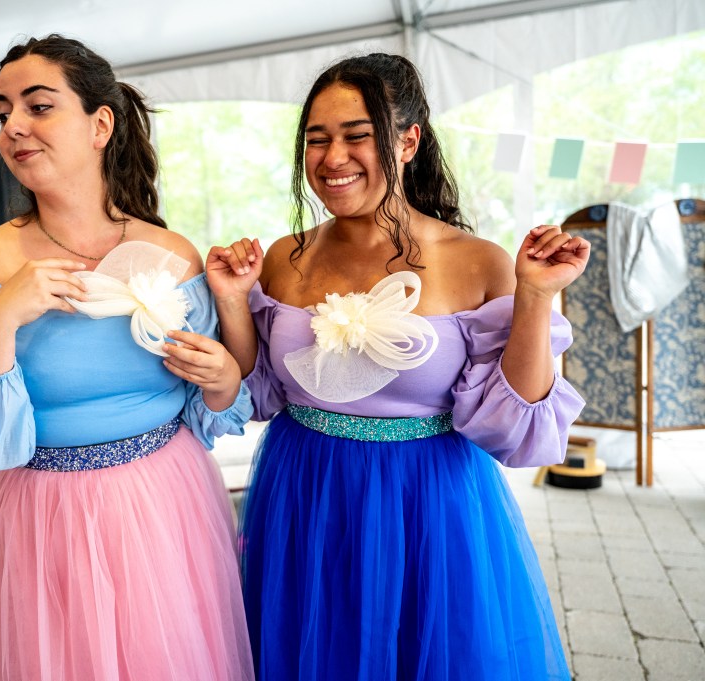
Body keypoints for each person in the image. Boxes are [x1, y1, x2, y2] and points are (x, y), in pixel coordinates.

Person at [207, 53, 589, 681]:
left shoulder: (478, 261)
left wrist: (536, 294)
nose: (333, 157)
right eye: (317, 139)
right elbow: (257, 394)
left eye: (357, 135)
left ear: (408, 142)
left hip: (429, 503)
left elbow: (519, 431)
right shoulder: (283, 257)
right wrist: (230, 300)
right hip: (304, 492)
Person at [0, 34, 254, 681]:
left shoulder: (173, 254)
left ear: (100, 124)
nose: (13, 127)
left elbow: (213, 404)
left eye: (38, 106)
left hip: (166, 502)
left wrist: (224, 377)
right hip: (39, 515)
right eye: (3, 113)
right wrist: (0, 317)